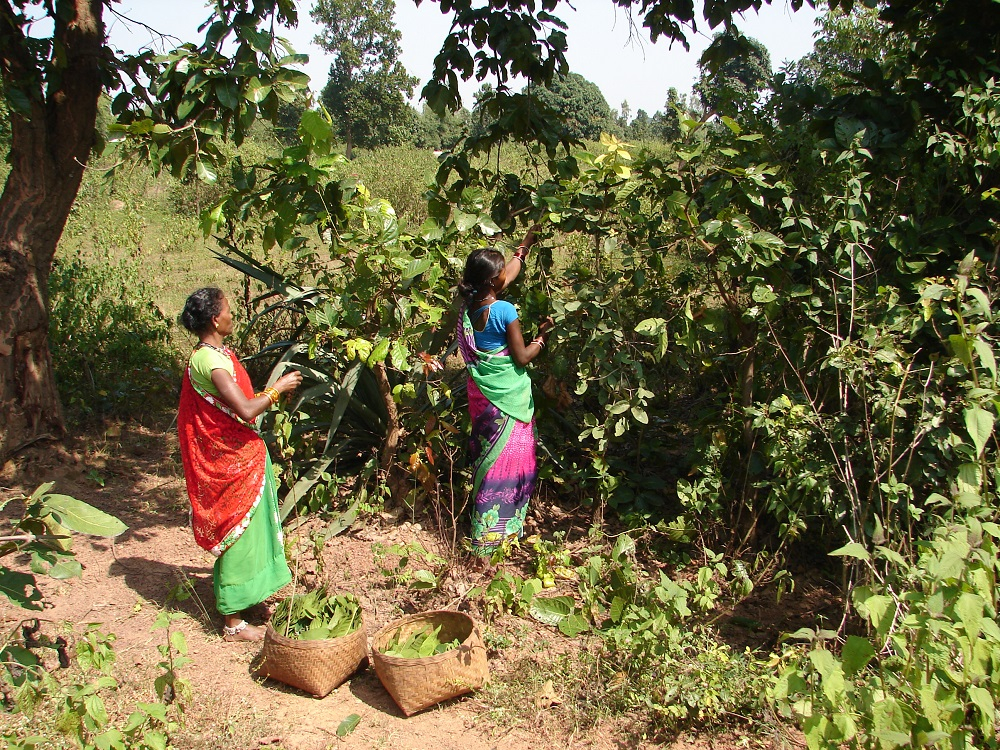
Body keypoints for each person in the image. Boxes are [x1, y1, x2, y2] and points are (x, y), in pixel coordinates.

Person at [177, 287, 303, 642]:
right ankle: (233, 622)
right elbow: (246, 409)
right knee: (239, 532)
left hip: (241, 455)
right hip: (229, 462)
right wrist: (278, 388)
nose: (232, 315)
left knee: (252, 531)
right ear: (215, 319)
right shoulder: (211, 362)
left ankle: (247, 597)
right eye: (228, 309)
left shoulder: (214, 354)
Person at [456, 226, 554, 559]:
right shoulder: (504, 310)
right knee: (511, 464)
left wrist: (524, 246)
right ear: (490, 281)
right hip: (508, 401)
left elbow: (508, 274)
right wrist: (542, 336)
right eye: (500, 273)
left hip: (484, 401)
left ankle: (486, 533)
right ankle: (496, 540)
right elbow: (522, 357)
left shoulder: (467, 308)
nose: (505, 277)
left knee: (489, 463)